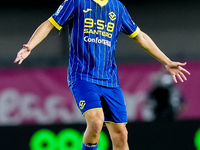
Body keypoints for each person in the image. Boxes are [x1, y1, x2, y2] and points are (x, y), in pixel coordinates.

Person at [14, 0, 190, 149]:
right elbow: (50, 23)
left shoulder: (117, 8)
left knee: (121, 134)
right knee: (97, 121)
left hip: (110, 80)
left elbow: (140, 37)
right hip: (82, 76)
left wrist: (166, 61)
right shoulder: (76, 2)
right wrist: (30, 45)